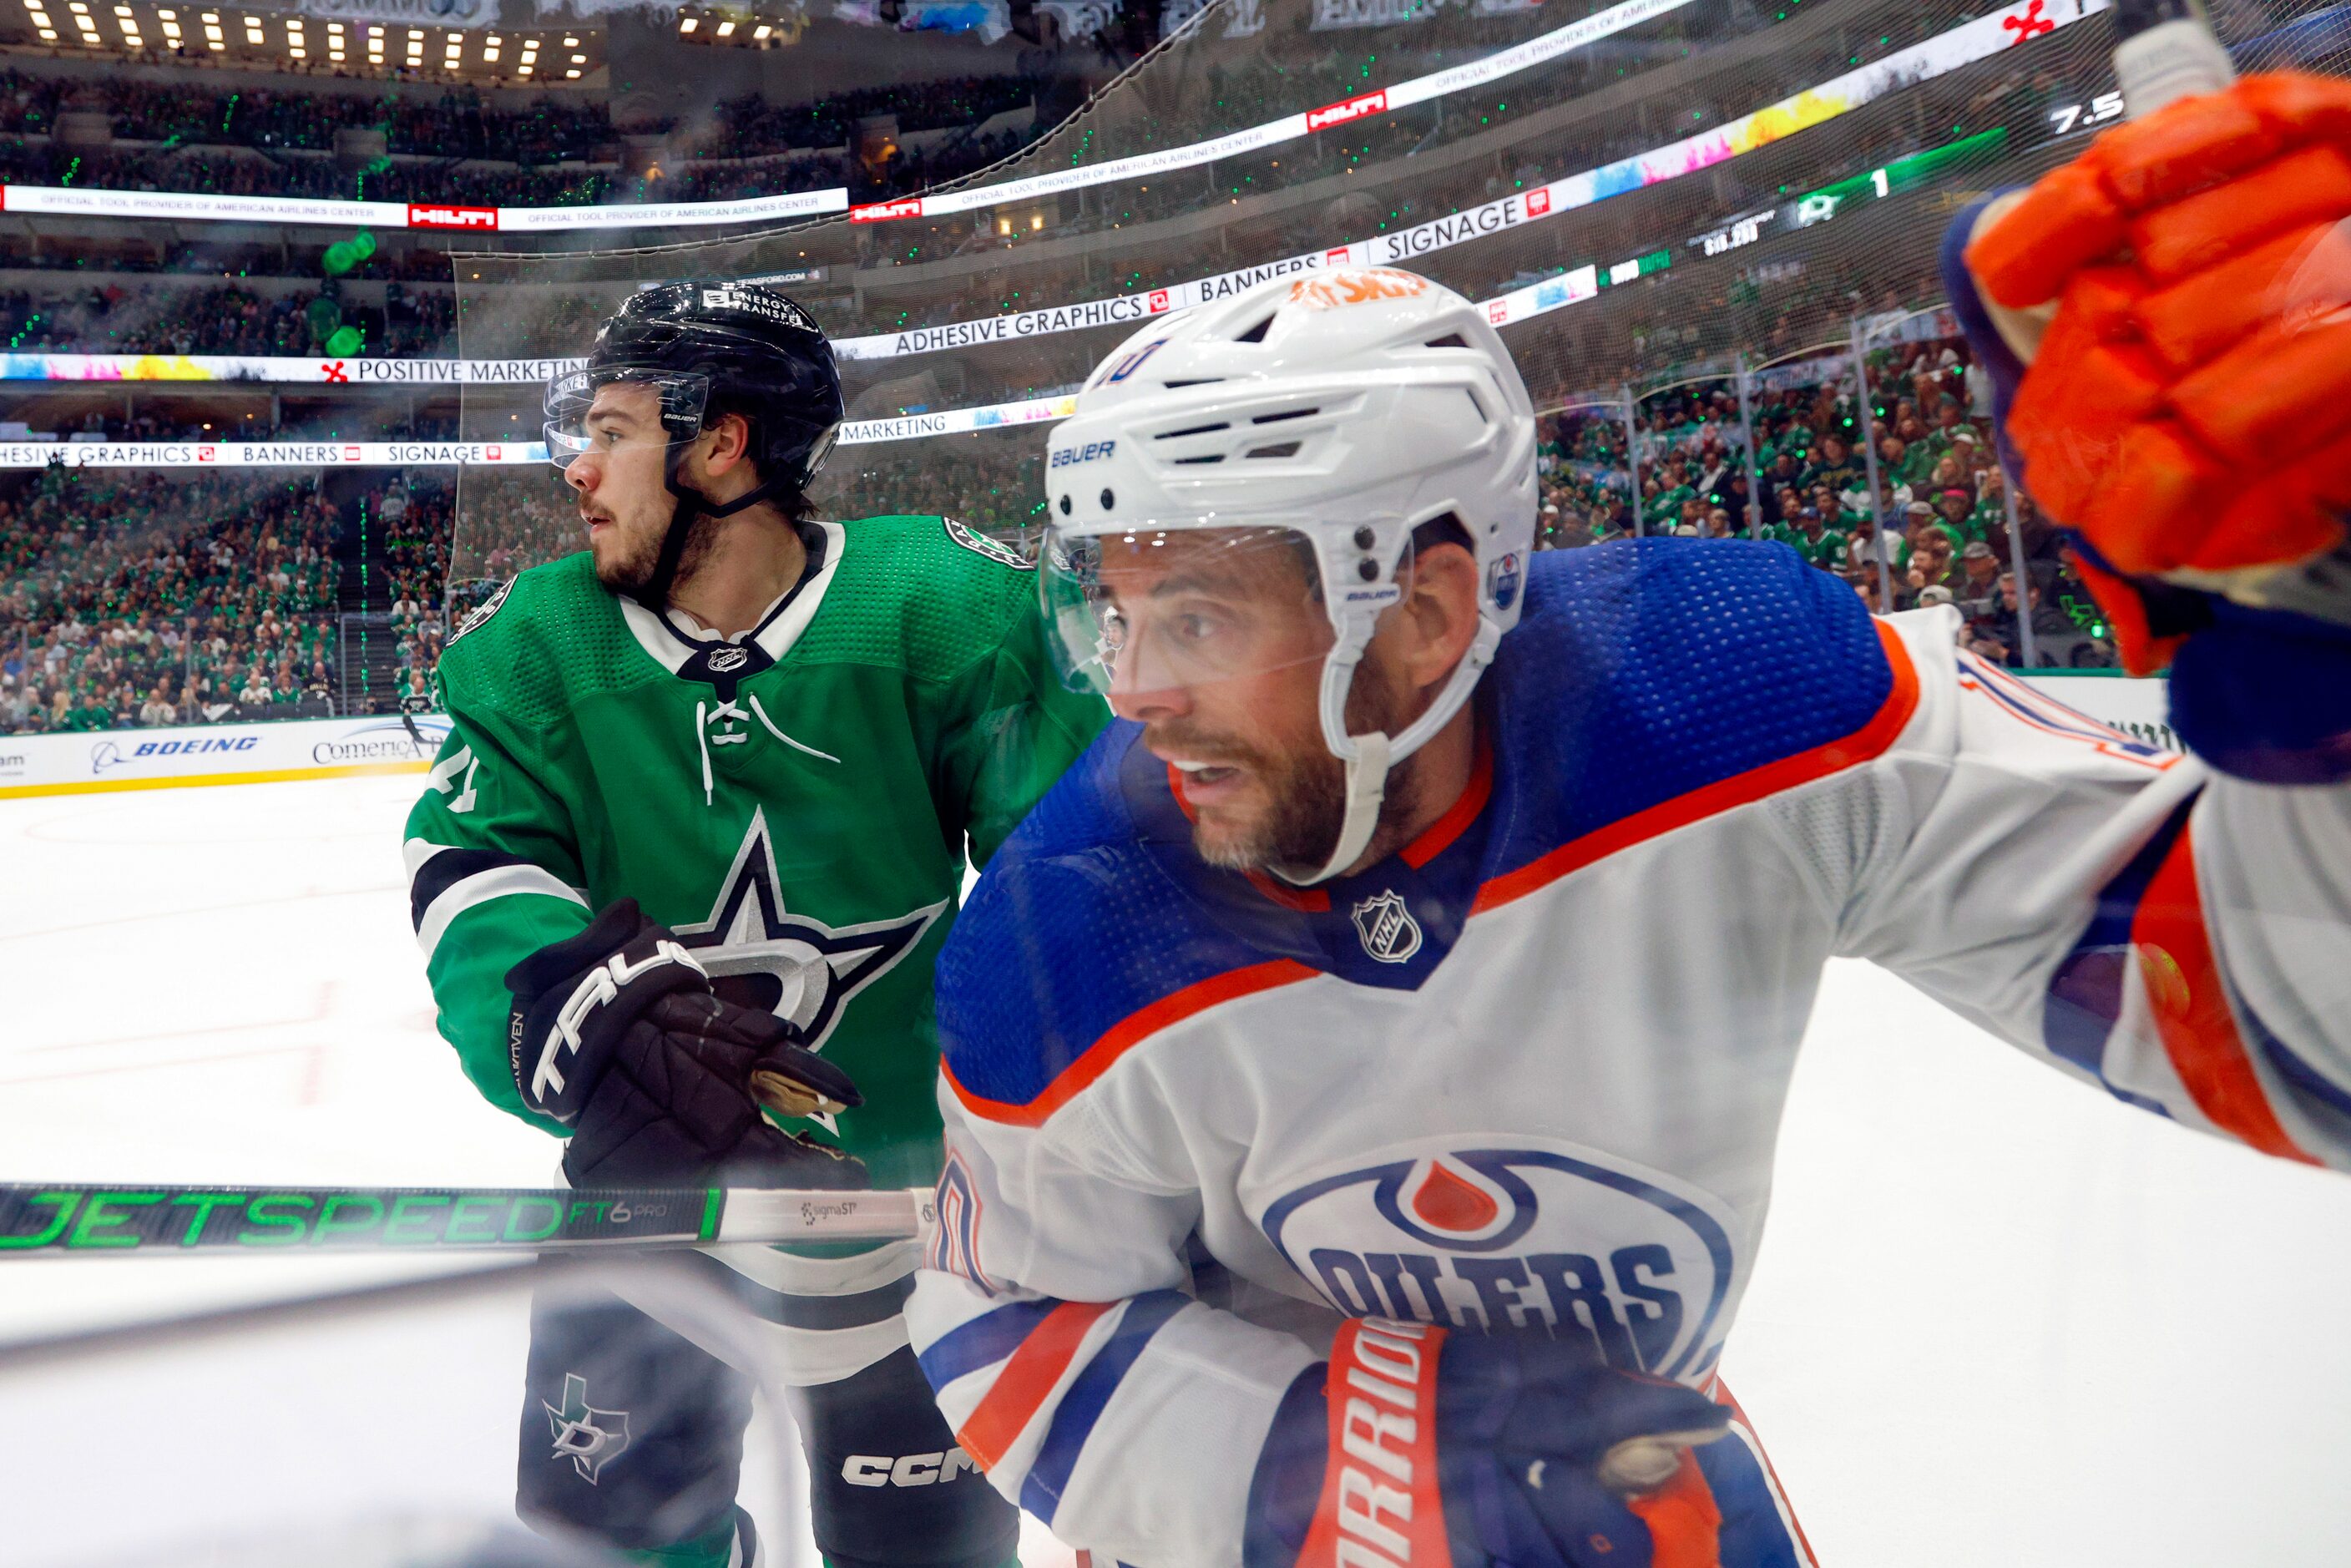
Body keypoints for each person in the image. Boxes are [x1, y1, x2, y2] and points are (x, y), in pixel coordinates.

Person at [904, 259, 2351, 1565]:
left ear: (1425, 614)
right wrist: (1368, 1476)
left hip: (1633, 1484)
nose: (1136, 688)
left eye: (1203, 617)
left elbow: (2300, 1023)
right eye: (1118, 611)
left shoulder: (1736, 695)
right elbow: (1009, 1315)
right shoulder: (1068, 927)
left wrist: (2327, 712)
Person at [402, 281, 1105, 1568]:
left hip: (911, 1228)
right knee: (598, 1556)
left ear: (720, 445)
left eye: (612, 431)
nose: (579, 467)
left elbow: (1068, 887)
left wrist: (1057, 1146)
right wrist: (582, 1022)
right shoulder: (542, 647)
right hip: (643, 1224)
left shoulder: (939, 611)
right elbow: (474, 870)